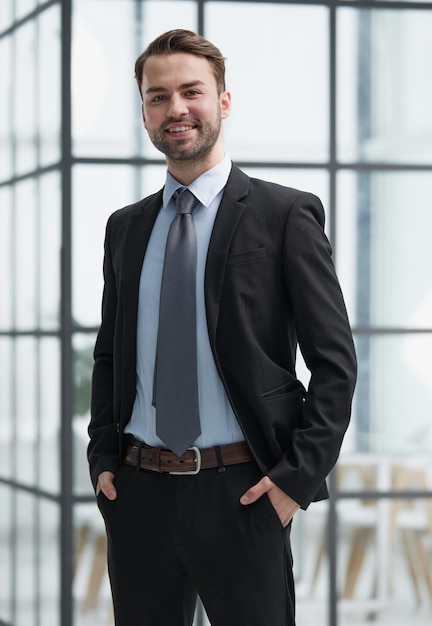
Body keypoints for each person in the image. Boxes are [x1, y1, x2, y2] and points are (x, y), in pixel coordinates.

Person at [88, 28, 357, 626]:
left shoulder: (285, 214)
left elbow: (335, 366)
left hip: (244, 493)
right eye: (158, 96)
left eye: (192, 91)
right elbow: (111, 354)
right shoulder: (125, 228)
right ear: (144, 111)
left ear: (223, 101)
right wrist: (103, 455)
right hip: (139, 493)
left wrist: (293, 482)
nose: (175, 108)